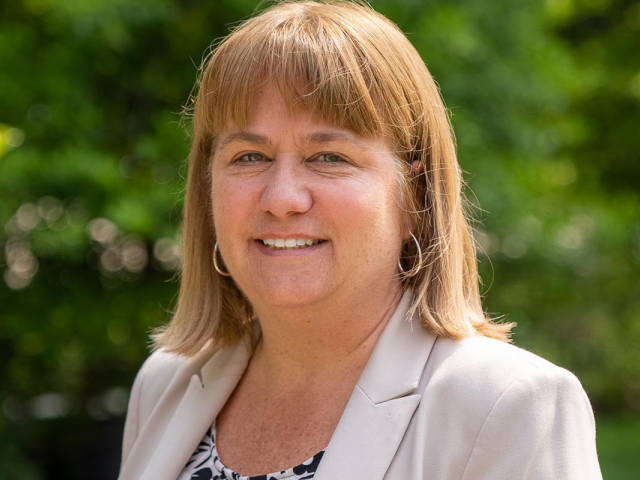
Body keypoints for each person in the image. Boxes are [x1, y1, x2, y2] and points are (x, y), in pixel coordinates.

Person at [117, 1, 603, 479]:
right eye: (249, 156)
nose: (282, 198)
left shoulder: (509, 405)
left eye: (328, 156)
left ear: (413, 195)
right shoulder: (164, 386)